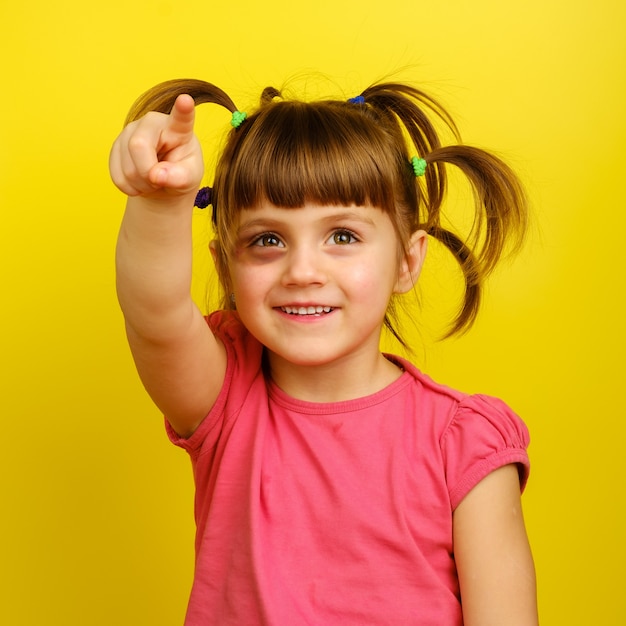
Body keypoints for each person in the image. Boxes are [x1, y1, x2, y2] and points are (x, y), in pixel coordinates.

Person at [110, 77, 538, 625]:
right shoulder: (225, 398)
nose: (303, 272)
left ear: (408, 262)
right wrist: (160, 200)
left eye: (342, 236)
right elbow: (156, 314)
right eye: (268, 240)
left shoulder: (464, 443)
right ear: (225, 268)